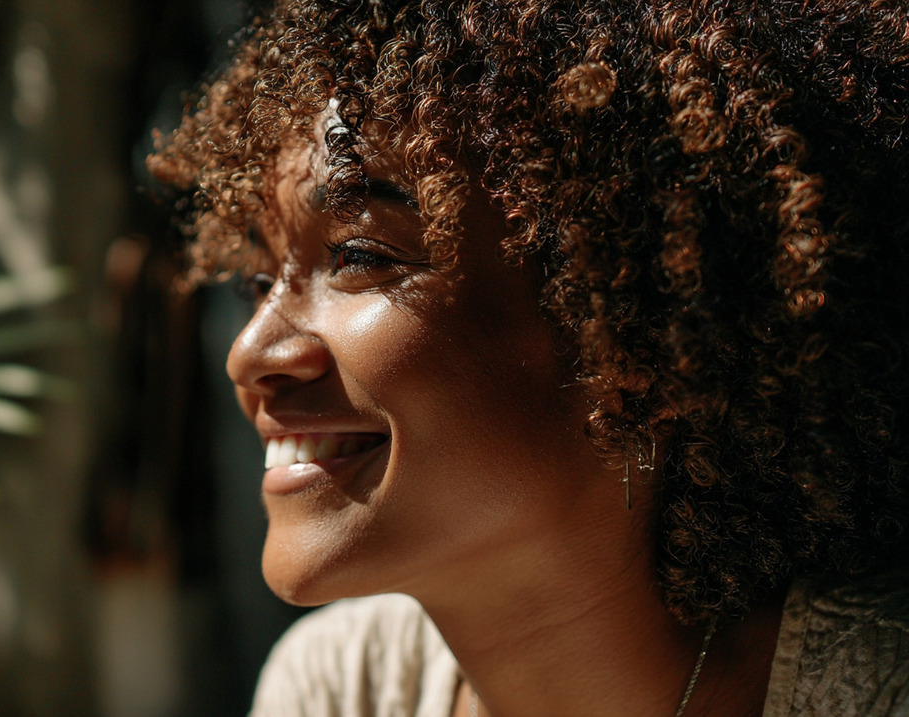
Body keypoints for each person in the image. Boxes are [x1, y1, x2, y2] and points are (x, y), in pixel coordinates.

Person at [148, 1, 909, 715]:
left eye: (359, 253)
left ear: (642, 315)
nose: (249, 353)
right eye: (257, 279)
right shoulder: (342, 688)